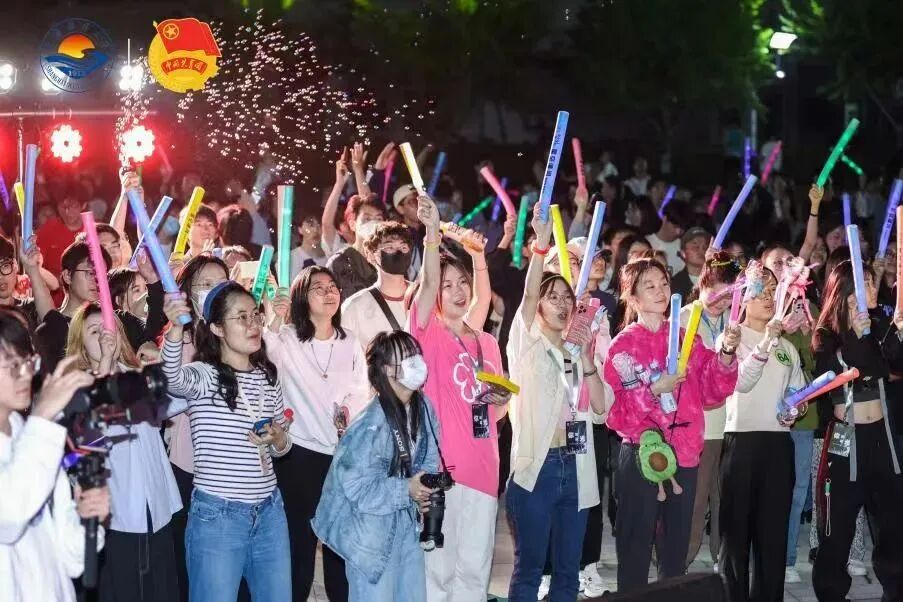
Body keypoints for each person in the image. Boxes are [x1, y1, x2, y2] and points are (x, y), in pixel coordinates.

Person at [603, 257, 739, 593]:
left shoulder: (685, 337)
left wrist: (725, 353)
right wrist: (654, 389)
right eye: (649, 286)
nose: (660, 291)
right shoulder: (623, 346)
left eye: (664, 283)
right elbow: (617, 414)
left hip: (685, 453)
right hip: (641, 453)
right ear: (632, 297)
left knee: (676, 546)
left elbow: (711, 389)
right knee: (635, 543)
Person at [162, 281, 292, 601]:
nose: (253, 324)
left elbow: (281, 446)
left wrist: (278, 438)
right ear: (217, 328)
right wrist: (175, 330)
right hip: (219, 515)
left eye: (256, 315)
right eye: (241, 317)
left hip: (269, 511)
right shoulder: (205, 375)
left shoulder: (268, 375)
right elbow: (171, 380)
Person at [505, 206, 610, 602]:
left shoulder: (576, 353)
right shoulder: (526, 344)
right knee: (530, 570)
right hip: (538, 467)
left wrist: (588, 359)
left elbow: (601, 409)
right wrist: (541, 244)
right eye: (553, 297)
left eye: (567, 297)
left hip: (577, 467)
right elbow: (529, 293)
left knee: (568, 573)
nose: (562, 303)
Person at [407, 195, 505, 602]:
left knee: (475, 572)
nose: (458, 291)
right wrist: (432, 232)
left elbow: (498, 410)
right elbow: (428, 283)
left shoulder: (486, 342)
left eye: (463, 283)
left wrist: (500, 398)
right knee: (438, 575)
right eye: (449, 286)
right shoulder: (426, 333)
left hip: (484, 467)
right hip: (440, 470)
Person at [312, 330, 442, 601]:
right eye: (406, 357)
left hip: (407, 528)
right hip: (370, 539)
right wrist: (406, 489)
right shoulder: (367, 426)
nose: (416, 361)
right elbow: (358, 489)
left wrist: (425, 490)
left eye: (416, 354)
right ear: (385, 369)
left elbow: (429, 459)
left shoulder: (424, 408)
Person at [265, 265, 369, 602]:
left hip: (340, 453)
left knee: (339, 545)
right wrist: (276, 318)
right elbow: (263, 355)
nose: (329, 292)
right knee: (300, 545)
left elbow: (361, 389)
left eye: (332, 286)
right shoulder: (288, 338)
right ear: (301, 296)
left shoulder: (349, 340)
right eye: (318, 288)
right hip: (299, 453)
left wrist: (348, 410)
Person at [66, 303, 182, 601]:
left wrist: (170, 347)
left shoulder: (139, 377)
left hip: (157, 508)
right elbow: (88, 434)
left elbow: (178, 400)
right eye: (95, 332)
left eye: (109, 328)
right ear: (80, 344)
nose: (106, 337)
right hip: (118, 517)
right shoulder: (77, 389)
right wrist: (106, 363)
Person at [0, 310, 108, 602]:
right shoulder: (39, 434)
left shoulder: (32, 435)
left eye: (28, 362)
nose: (27, 374)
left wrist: (87, 519)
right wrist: (43, 417)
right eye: (13, 366)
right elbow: (9, 518)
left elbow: (71, 561)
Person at [811, 261, 903, 601]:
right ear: (847, 292)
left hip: (882, 437)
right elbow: (837, 372)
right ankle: (832, 594)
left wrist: (896, 333)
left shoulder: (879, 325)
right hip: (845, 440)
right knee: (837, 528)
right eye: (866, 283)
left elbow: (889, 366)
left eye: (873, 282)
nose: (873, 288)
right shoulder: (826, 335)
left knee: (894, 525)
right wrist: (855, 336)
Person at [718, 262, 806, 602]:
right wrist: (767, 341)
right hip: (740, 441)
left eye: (773, 292)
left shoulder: (788, 348)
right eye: (761, 293)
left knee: (772, 537)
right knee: (736, 536)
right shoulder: (732, 338)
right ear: (743, 297)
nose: (769, 298)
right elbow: (740, 382)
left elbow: (796, 395)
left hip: (777, 444)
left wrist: (795, 409)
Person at [164, 254, 230, 600]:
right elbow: (168, 389)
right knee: (191, 565)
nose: (214, 290)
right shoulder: (178, 341)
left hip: (235, 472)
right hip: (189, 467)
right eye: (205, 284)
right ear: (187, 293)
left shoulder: (242, 339)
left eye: (221, 283)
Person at [683, 252, 742, 572]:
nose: (721, 303)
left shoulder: (736, 321)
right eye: (716, 294)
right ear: (702, 283)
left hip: (731, 421)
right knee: (696, 497)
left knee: (726, 496)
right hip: (697, 422)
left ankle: (723, 557)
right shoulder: (683, 318)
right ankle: (681, 558)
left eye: (729, 297)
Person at [33, 240, 110, 372]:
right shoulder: (51, 330)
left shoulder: (110, 321)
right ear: (67, 276)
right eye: (91, 273)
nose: (98, 281)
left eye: (103, 274)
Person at [341, 221, 413, 349]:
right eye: (389, 247)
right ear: (371, 255)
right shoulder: (354, 307)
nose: (398, 252)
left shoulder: (424, 295)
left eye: (403, 247)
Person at [327, 194, 385, 300]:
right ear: (353, 224)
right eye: (367, 219)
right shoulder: (339, 262)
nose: (374, 223)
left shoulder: (389, 259)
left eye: (378, 218)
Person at [35, 187, 84, 278]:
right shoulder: (48, 229)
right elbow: (36, 265)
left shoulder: (93, 230)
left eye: (73, 206)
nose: (67, 212)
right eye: (63, 206)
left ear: (83, 205)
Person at [646, 200, 688, 275]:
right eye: (675, 227)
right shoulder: (646, 243)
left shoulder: (685, 248)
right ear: (664, 219)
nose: (678, 232)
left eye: (682, 228)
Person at [670, 227, 711, 301]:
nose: (701, 250)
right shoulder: (675, 284)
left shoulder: (715, 279)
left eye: (705, 246)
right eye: (695, 246)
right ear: (683, 253)